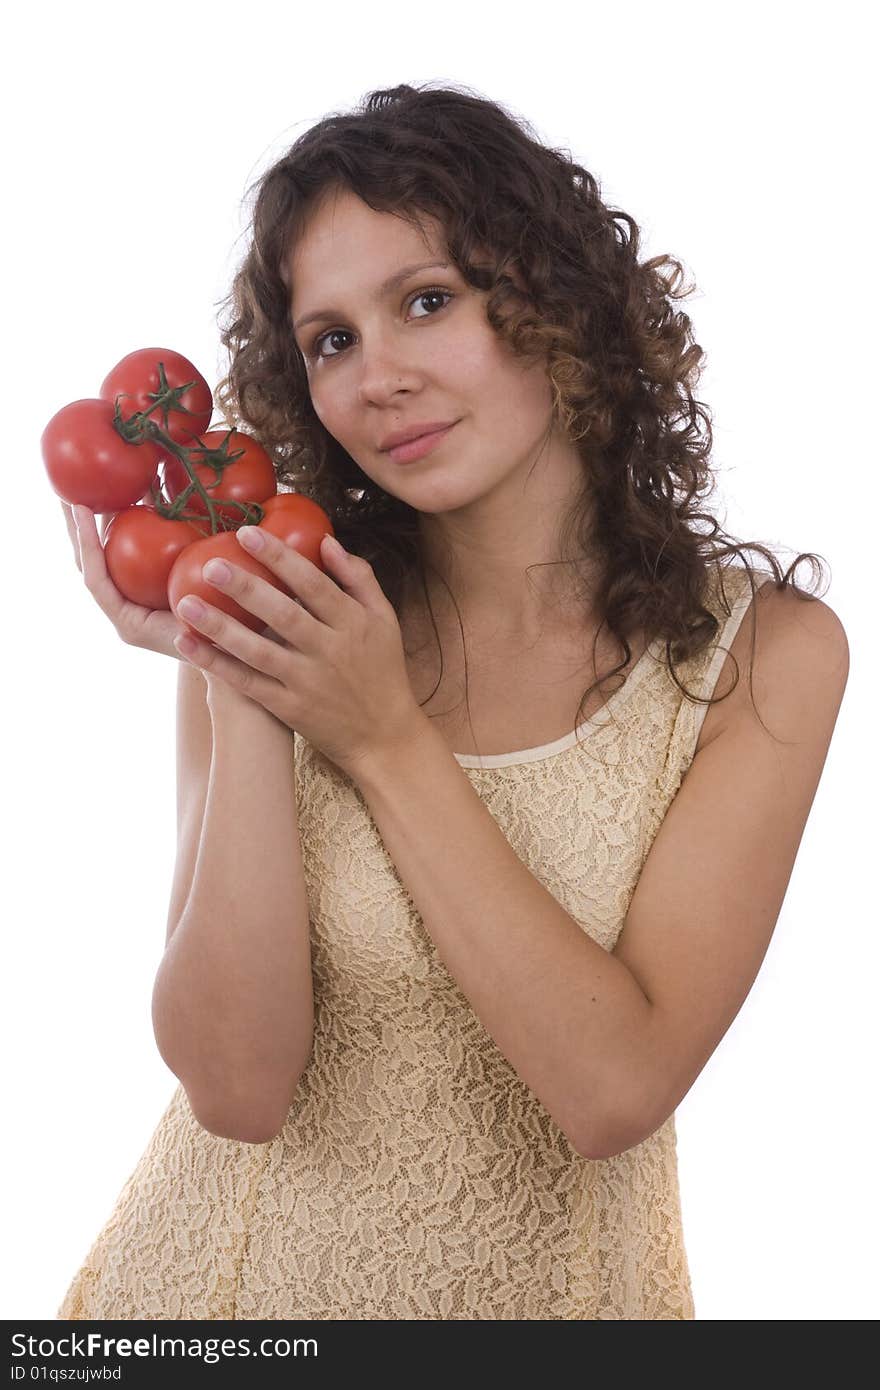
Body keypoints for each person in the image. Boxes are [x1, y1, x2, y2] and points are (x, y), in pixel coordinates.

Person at [55, 81, 849, 1321]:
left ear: (554, 304)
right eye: (332, 340)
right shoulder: (290, 614)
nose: (379, 378)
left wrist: (380, 735)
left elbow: (611, 1090)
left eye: (427, 302)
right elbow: (237, 1089)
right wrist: (243, 679)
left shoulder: (764, 656)